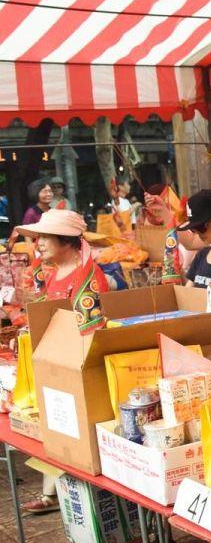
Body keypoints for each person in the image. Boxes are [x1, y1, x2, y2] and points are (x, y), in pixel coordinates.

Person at [16, 210, 109, 514]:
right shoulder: (50, 273)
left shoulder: (89, 278)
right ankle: (52, 493)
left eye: (45, 237)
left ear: (67, 241)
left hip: (78, 366)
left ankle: (62, 495)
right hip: (54, 363)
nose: (38, 243)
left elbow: (93, 332)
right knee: (53, 424)